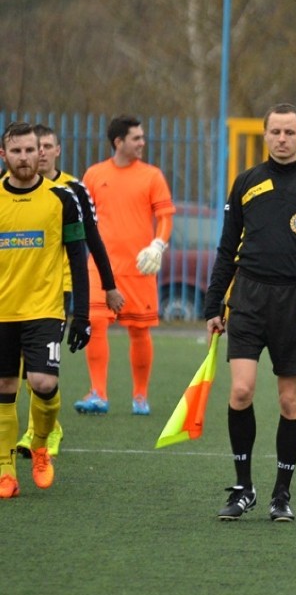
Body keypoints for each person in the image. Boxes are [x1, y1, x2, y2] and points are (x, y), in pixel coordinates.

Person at [205, 103, 296, 522]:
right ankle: (243, 487)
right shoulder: (246, 182)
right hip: (248, 297)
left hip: (295, 301)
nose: (282, 139)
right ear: (265, 136)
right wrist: (213, 303)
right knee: (241, 391)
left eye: (289, 132)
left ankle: (282, 493)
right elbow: (227, 248)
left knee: (288, 400)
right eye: (274, 132)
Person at [14, 125, 123, 458]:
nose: (41, 152)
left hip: (56, 290)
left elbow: (92, 240)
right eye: (37, 146)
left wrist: (108, 286)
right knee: (19, 368)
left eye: (47, 146)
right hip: (18, 292)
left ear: (57, 151)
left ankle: (37, 433)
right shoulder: (13, 191)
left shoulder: (72, 190)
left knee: (38, 369)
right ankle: (51, 425)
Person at [0, 121, 91, 499]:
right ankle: (5, 468)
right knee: (5, 388)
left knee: (43, 383)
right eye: (15, 151)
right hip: (3, 312)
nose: (23, 158)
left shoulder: (62, 198)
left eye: (29, 150)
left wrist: (82, 315)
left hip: (44, 309)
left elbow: (78, 257)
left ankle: (39, 447)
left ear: (42, 153)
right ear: (4, 155)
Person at [73, 115, 175, 416]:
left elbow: (165, 216)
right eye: (136, 138)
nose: (142, 142)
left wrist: (158, 244)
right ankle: (98, 394)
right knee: (95, 323)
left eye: (142, 137)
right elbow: (83, 221)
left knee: (140, 330)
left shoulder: (152, 176)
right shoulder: (94, 174)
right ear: (119, 142)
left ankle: (140, 397)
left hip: (139, 269)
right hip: (100, 268)